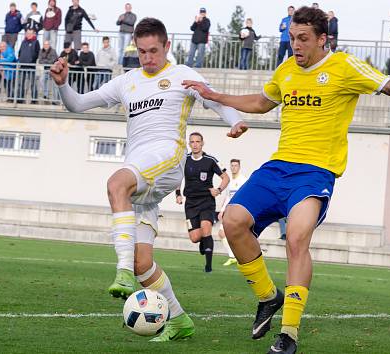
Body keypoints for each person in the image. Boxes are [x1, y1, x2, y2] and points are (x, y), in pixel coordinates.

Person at [182, 7, 390, 353]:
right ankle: (268, 297)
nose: (295, 45)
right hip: (278, 166)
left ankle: (289, 333)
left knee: (297, 238)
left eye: (303, 39)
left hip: (315, 173)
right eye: (292, 38)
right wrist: (216, 96)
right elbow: (262, 102)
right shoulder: (286, 70)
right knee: (232, 220)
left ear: (322, 39)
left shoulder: (344, 67)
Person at [50, 17, 247, 342]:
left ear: (167, 46)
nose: (148, 58)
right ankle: (180, 320)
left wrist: (235, 120)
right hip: (142, 177)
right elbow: (78, 104)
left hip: (167, 159)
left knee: (116, 184)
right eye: (142, 52)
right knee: (145, 264)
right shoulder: (127, 81)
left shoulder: (182, 74)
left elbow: (212, 99)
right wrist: (62, 84)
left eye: (153, 51)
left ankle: (121, 271)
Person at [175, 132, 230, 273]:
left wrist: (218, 190)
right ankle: (203, 242)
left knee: (206, 229)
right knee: (195, 238)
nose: (195, 144)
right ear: (189, 144)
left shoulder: (210, 160)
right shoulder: (184, 159)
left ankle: (208, 267)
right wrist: (178, 194)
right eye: (192, 142)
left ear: (202, 143)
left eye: (197, 141)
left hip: (207, 202)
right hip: (190, 203)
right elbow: (177, 178)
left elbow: (225, 178)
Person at [218, 158, 247, 266]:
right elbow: (227, 197)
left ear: (239, 167)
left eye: (236, 165)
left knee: (238, 235)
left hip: (237, 212)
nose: (234, 167)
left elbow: (245, 196)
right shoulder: (230, 181)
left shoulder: (243, 180)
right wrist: (221, 210)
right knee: (221, 233)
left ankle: (247, 254)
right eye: (232, 165)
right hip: (228, 211)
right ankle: (232, 256)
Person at [17, 29, 40, 102]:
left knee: (33, 84)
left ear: (33, 34)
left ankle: (34, 99)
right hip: (22, 65)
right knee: (20, 83)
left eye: (30, 33)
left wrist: (32, 60)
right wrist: (20, 59)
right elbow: (20, 51)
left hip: (31, 66)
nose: (28, 35)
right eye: (27, 33)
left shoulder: (36, 42)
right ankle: (20, 99)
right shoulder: (23, 42)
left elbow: (37, 53)